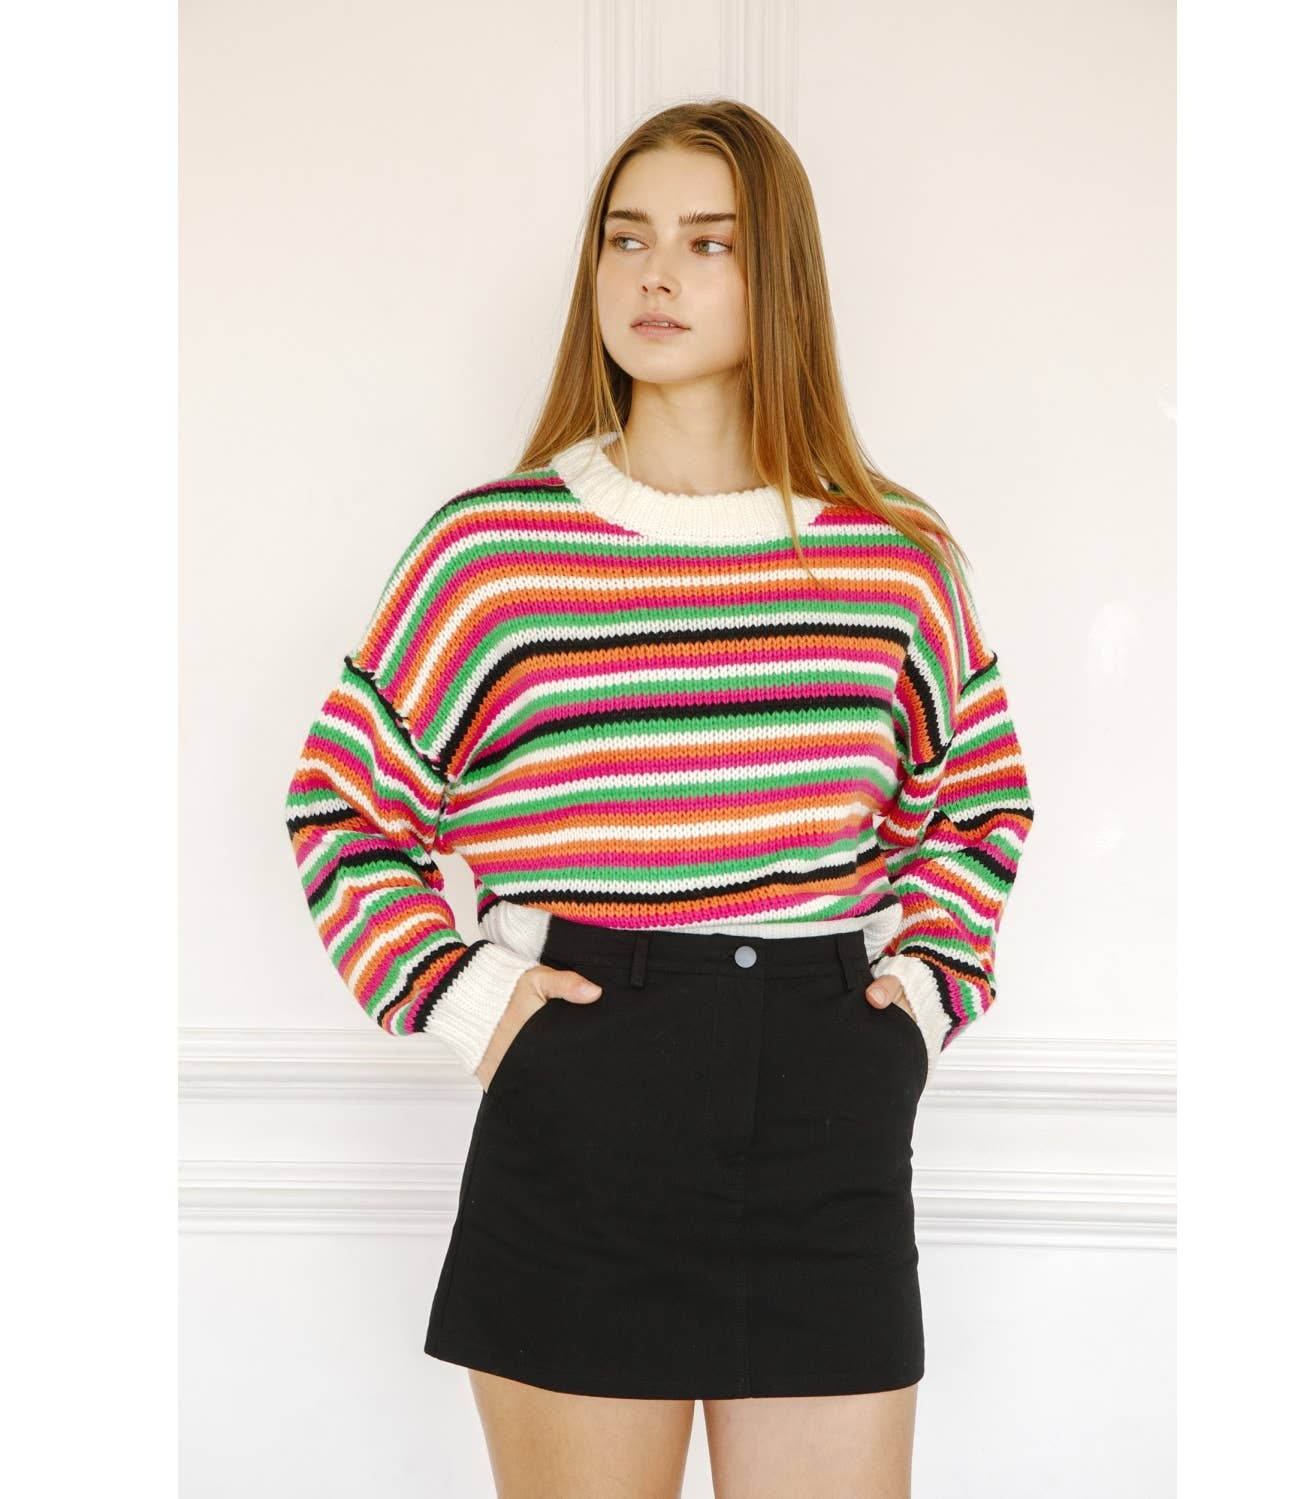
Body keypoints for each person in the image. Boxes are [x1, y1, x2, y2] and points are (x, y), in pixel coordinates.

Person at [283, 98, 1035, 1499]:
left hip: (823, 1105)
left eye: (709, 243)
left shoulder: (890, 560)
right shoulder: (493, 552)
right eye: (627, 240)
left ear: (780, 277)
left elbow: (976, 802)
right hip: (583, 1091)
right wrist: (474, 1004)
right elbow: (343, 807)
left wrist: (923, 1000)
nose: (656, 276)